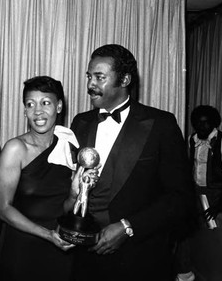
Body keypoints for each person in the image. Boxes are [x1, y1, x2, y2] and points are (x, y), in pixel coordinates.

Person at [67, 44, 194, 281]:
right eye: (89, 76)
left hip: (140, 259)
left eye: (99, 77)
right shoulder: (80, 123)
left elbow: (181, 198)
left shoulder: (161, 124)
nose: (90, 85)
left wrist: (127, 226)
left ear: (125, 79)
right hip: (85, 260)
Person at [0, 76, 77, 281]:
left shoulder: (69, 147)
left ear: (59, 107)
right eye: (30, 104)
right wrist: (48, 235)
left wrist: (75, 194)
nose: (38, 111)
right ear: (24, 110)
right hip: (22, 250)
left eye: (46, 103)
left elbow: (64, 207)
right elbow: (4, 209)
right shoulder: (16, 149)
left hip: (60, 249)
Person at [174, 105, 222, 281]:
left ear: (213, 123)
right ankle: (185, 272)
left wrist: (219, 205)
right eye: (198, 124)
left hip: (213, 194)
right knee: (183, 228)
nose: (202, 128)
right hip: (195, 191)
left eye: (206, 124)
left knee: (205, 233)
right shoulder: (192, 139)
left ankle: (195, 272)